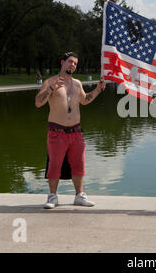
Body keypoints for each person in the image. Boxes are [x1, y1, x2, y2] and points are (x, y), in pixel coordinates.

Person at [35, 52, 105, 209]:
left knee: (79, 164)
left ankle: (79, 195)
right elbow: (38, 103)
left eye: (75, 63)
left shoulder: (77, 83)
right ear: (62, 62)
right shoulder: (50, 82)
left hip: (76, 132)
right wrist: (51, 89)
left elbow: (84, 100)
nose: (73, 65)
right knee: (55, 165)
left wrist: (98, 90)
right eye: (70, 61)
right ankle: (52, 196)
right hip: (57, 132)